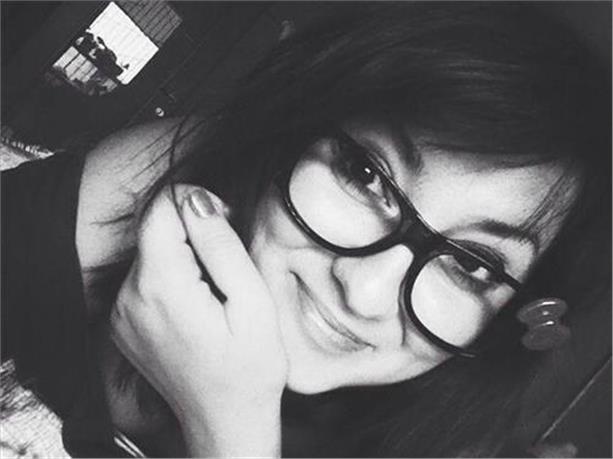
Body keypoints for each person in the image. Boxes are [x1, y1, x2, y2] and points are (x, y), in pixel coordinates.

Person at [1, 2, 610, 457]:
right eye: (366, 175)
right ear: (288, 135)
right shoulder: (117, 200)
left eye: (472, 264)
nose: (365, 292)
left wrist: (229, 428)